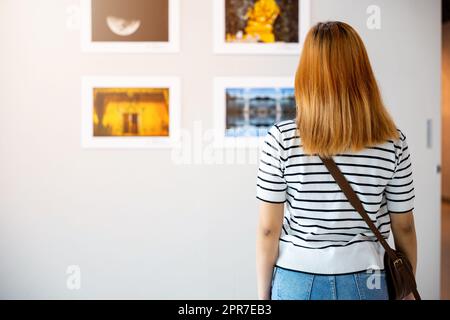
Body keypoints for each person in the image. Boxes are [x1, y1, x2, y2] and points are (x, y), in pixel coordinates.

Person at [255, 21, 417, 300]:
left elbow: (269, 229)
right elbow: (404, 226)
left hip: (296, 278)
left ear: (306, 74)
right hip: (369, 279)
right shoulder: (392, 141)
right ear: (362, 72)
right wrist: (406, 288)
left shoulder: (280, 139)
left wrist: (262, 294)